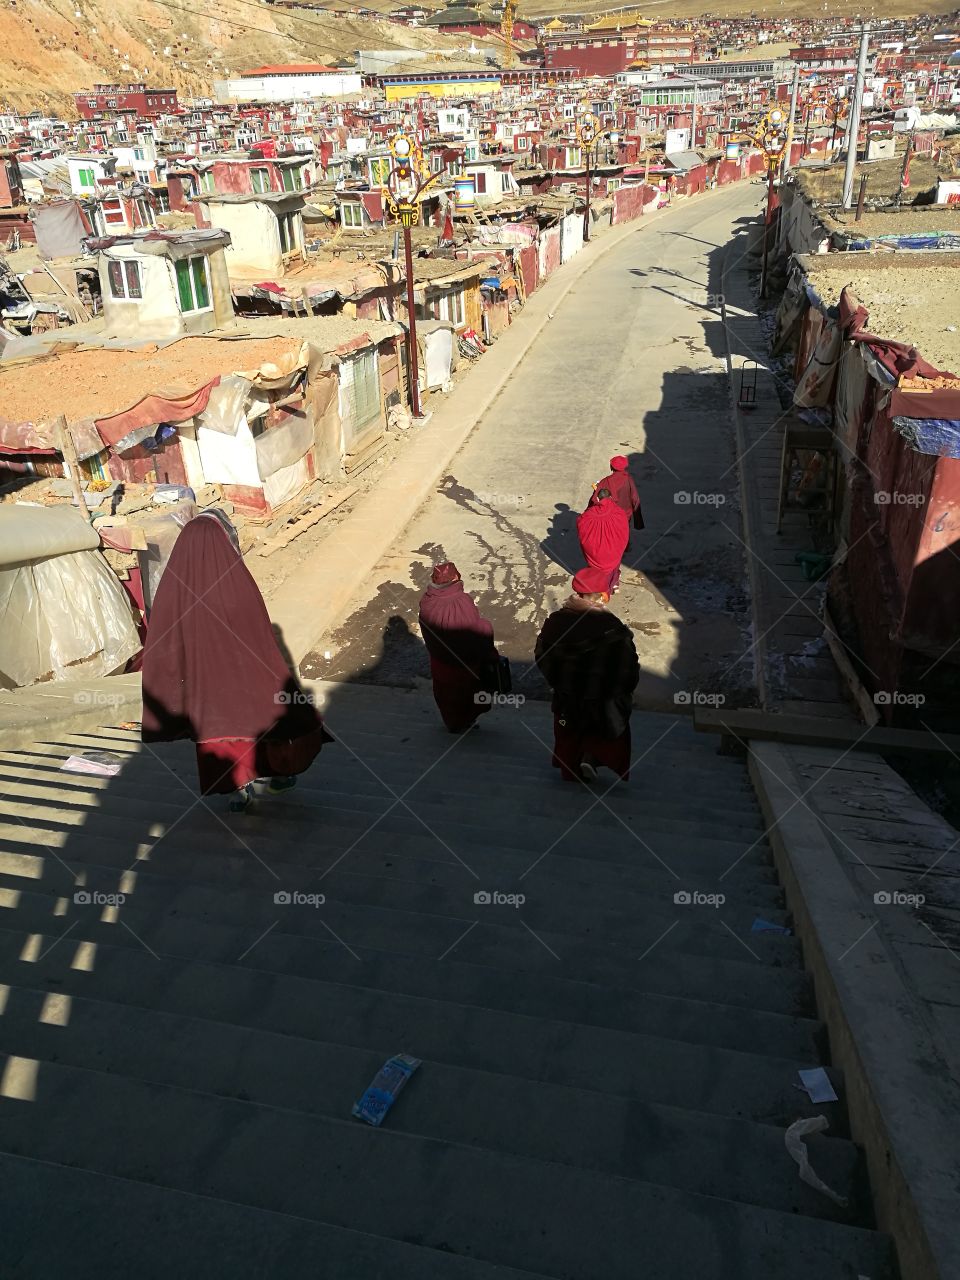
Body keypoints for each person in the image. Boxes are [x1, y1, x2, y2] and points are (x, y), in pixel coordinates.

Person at [140, 511, 332, 812]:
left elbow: (162, 640)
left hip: (207, 690)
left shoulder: (173, 589)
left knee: (221, 736)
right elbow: (260, 637)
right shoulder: (236, 584)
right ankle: (280, 775)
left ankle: (237, 790)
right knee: (269, 721)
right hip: (248, 680)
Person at [535, 568, 639, 784]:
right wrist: (621, 690)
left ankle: (571, 770)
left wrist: (558, 682)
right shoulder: (611, 628)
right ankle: (590, 757)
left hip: (567, 695)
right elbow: (626, 667)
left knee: (569, 729)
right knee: (603, 729)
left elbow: (542, 657)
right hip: (601, 697)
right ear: (602, 595)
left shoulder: (556, 622)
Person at [418, 561, 499, 733]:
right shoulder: (462, 601)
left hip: (440, 662)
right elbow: (474, 632)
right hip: (464, 666)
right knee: (467, 695)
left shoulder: (427, 601)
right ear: (455, 578)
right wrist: (486, 627)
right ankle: (465, 721)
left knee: (447, 696)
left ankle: (453, 723)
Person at [576, 487, 630, 593]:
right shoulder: (618, 512)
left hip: (595, 551)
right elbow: (624, 530)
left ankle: (600, 589)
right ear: (610, 497)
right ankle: (613, 584)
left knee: (597, 572)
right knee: (614, 566)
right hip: (613, 549)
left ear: (598, 499)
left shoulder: (589, 514)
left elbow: (580, 522)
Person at [590, 455, 643, 531]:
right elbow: (635, 499)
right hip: (625, 516)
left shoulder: (605, 481)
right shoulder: (629, 480)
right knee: (623, 533)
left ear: (611, 467)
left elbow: (594, 500)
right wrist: (638, 522)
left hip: (609, 517)